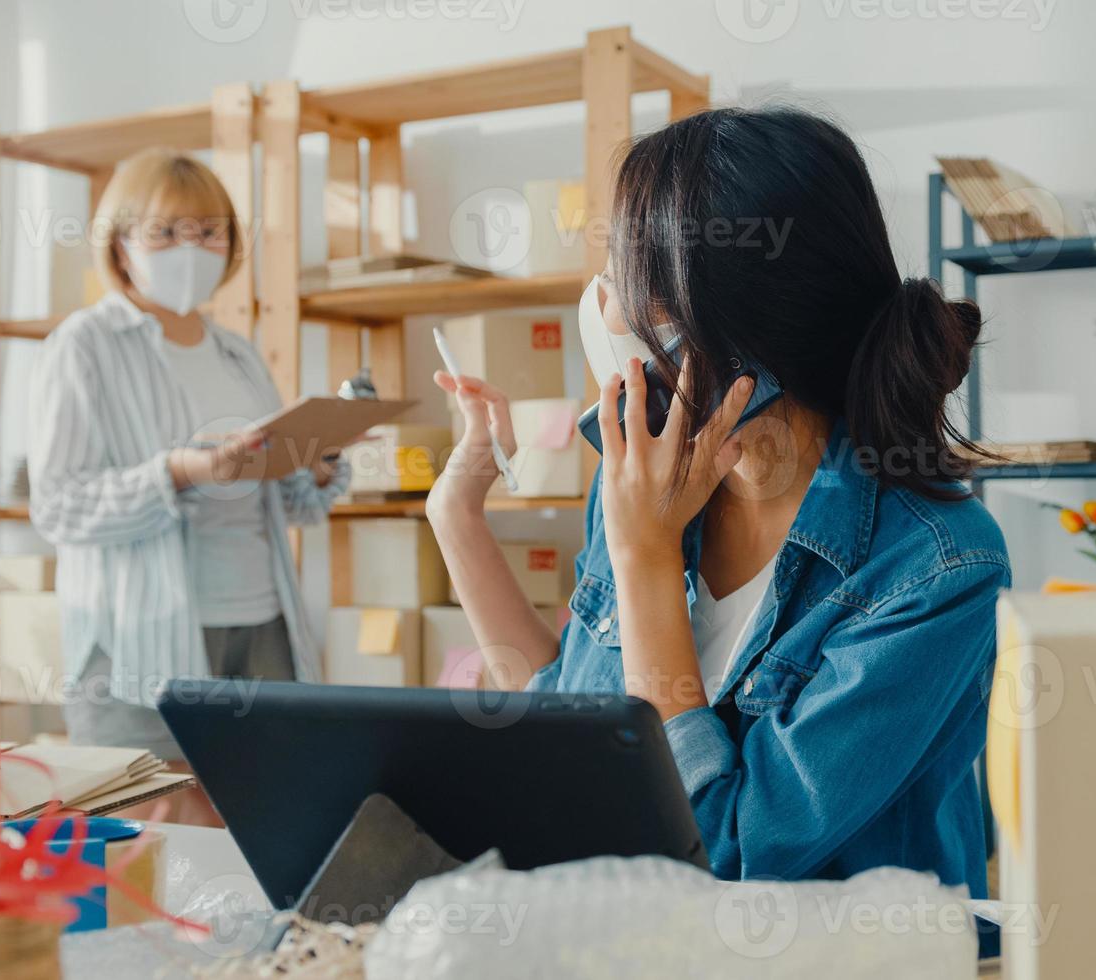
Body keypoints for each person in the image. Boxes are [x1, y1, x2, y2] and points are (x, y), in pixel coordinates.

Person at [426, 107, 1009, 924]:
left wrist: (646, 561)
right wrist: (457, 519)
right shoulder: (642, 480)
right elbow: (562, 728)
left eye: (619, 273)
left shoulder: (935, 569)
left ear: (724, 328)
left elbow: (725, 858)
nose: (600, 306)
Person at [29, 149, 347, 806]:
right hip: (137, 636)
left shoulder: (237, 353)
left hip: (261, 625)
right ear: (120, 245)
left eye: (208, 232)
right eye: (165, 232)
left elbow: (286, 503)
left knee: (269, 821)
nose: (190, 248)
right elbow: (59, 505)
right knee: (155, 833)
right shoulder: (84, 345)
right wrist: (178, 472)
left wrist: (314, 465)